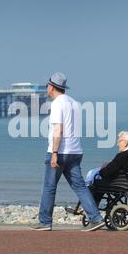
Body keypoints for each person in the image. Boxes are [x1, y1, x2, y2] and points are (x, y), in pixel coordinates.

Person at [31, 72, 105, 232]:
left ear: (51, 87)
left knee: (49, 187)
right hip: (76, 150)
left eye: (47, 85)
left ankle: (45, 222)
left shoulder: (58, 104)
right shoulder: (74, 103)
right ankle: (96, 218)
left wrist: (54, 153)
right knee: (79, 186)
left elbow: (59, 129)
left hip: (60, 151)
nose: (47, 88)